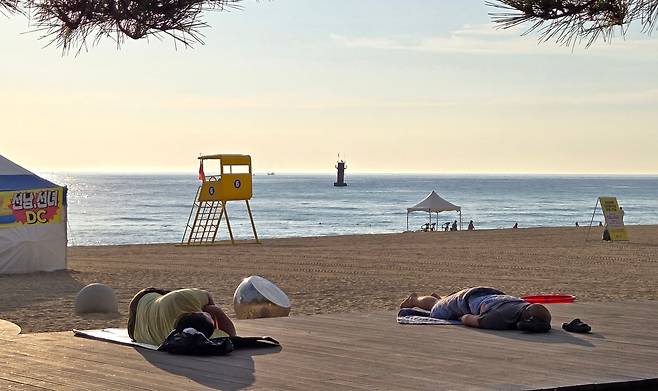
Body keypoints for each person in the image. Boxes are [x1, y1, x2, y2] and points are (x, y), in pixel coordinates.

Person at [400, 286, 551, 332]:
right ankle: (415, 299)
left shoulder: (522, 304)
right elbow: (468, 319)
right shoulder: (500, 317)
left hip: (489, 293)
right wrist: (460, 317)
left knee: (443, 302)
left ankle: (442, 299)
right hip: (464, 300)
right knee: (436, 309)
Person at [128, 288, 236, 346]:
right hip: (134, 332)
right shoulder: (181, 338)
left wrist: (213, 309)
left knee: (169, 297)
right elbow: (231, 335)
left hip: (142, 298)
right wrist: (215, 312)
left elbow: (207, 296)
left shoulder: (185, 297)